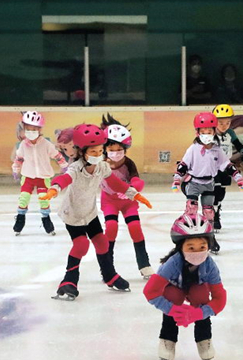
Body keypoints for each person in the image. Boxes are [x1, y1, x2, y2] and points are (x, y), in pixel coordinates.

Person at [39, 124, 152, 301]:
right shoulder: (76, 168)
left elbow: (115, 183)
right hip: (74, 214)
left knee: (102, 242)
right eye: (93, 151)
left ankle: (109, 275)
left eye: (100, 151)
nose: (98, 154)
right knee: (81, 245)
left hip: (90, 213)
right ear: (82, 151)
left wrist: (134, 194)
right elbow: (64, 178)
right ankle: (68, 281)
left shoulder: (102, 167)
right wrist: (54, 189)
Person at [143, 213, 227, 360]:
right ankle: (168, 338)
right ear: (181, 247)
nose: (197, 252)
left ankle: (204, 337)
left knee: (200, 293)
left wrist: (200, 313)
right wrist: (172, 310)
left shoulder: (209, 265)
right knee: (172, 294)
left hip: (197, 290)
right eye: (191, 247)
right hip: (175, 289)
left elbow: (220, 298)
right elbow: (150, 291)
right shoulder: (172, 264)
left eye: (202, 247)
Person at [172, 112, 243, 254]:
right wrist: (177, 179)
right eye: (203, 132)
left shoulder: (217, 150)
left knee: (209, 212)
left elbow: (227, 165)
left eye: (209, 132)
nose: (206, 135)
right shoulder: (193, 149)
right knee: (191, 209)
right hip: (193, 182)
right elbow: (183, 165)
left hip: (209, 183)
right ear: (197, 132)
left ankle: (210, 237)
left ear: (214, 132)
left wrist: (238, 177)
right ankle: (187, 237)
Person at [100, 114, 154, 278]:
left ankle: (144, 265)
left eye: (119, 150)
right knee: (111, 228)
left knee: (135, 227)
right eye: (112, 150)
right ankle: (107, 267)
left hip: (128, 201)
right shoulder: (100, 164)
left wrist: (132, 188)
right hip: (109, 201)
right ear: (105, 149)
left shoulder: (128, 163)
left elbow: (137, 180)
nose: (116, 153)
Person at [11, 111, 68, 236]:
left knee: (44, 200)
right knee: (23, 199)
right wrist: (16, 169)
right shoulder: (23, 145)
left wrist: (64, 166)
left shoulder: (46, 144)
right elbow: (19, 158)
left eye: (34, 130)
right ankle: (20, 220)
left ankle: (47, 221)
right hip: (28, 177)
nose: (31, 132)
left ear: (39, 129)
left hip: (43, 177)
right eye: (28, 129)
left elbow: (57, 156)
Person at [211, 104, 243, 231]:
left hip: (225, 166)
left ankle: (216, 210)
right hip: (212, 167)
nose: (224, 126)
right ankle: (213, 215)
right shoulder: (209, 133)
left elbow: (237, 144)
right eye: (221, 123)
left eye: (227, 123)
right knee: (215, 189)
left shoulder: (230, 133)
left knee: (221, 192)